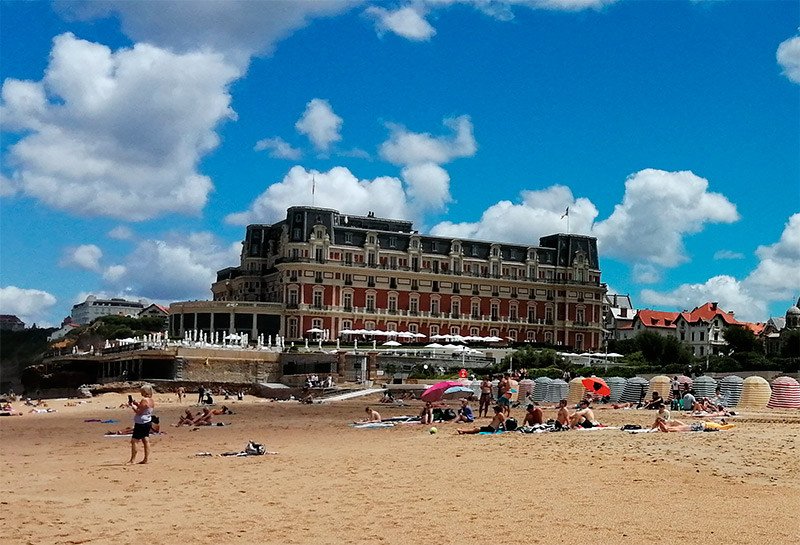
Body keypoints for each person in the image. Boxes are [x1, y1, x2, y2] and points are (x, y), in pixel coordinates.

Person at [128, 385, 155, 464]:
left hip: (141, 422)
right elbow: (144, 407)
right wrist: (136, 403)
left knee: (134, 441)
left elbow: (139, 411)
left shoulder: (144, 400)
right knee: (145, 440)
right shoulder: (151, 400)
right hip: (148, 421)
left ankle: (132, 460)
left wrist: (132, 406)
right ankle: (146, 459)